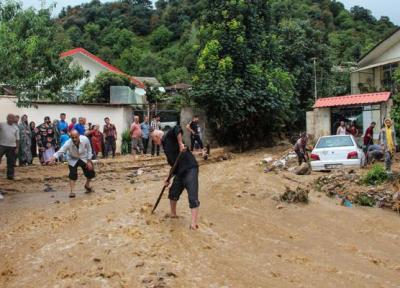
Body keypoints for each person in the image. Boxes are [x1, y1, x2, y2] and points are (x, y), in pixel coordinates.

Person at [162, 125, 200, 230]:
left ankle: (193, 224)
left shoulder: (168, 136)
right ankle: (173, 214)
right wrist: (168, 179)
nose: (152, 140)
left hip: (190, 168)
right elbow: (173, 166)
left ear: (157, 136)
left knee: (193, 196)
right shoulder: (166, 149)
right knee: (173, 193)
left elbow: (177, 128)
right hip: (179, 172)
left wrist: (180, 143)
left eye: (152, 138)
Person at [47, 130, 95, 198]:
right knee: (73, 174)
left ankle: (87, 185)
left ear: (79, 136)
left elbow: (89, 149)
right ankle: (72, 192)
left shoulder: (85, 139)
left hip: (83, 157)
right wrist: (53, 158)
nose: (74, 139)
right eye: (72, 137)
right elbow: (61, 151)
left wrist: (89, 161)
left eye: (76, 137)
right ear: (70, 137)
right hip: (72, 158)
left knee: (90, 171)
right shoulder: (68, 143)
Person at [0, 114, 20, 180]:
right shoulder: (2, 125)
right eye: (10, 118)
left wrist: (17, 148)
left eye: (12, 118)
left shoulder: (16, 127)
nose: (11, 119)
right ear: (7, 118)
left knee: (11, 162)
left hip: (12, 146)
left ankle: (10, 176)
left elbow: (17, 139)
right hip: (2, 145)